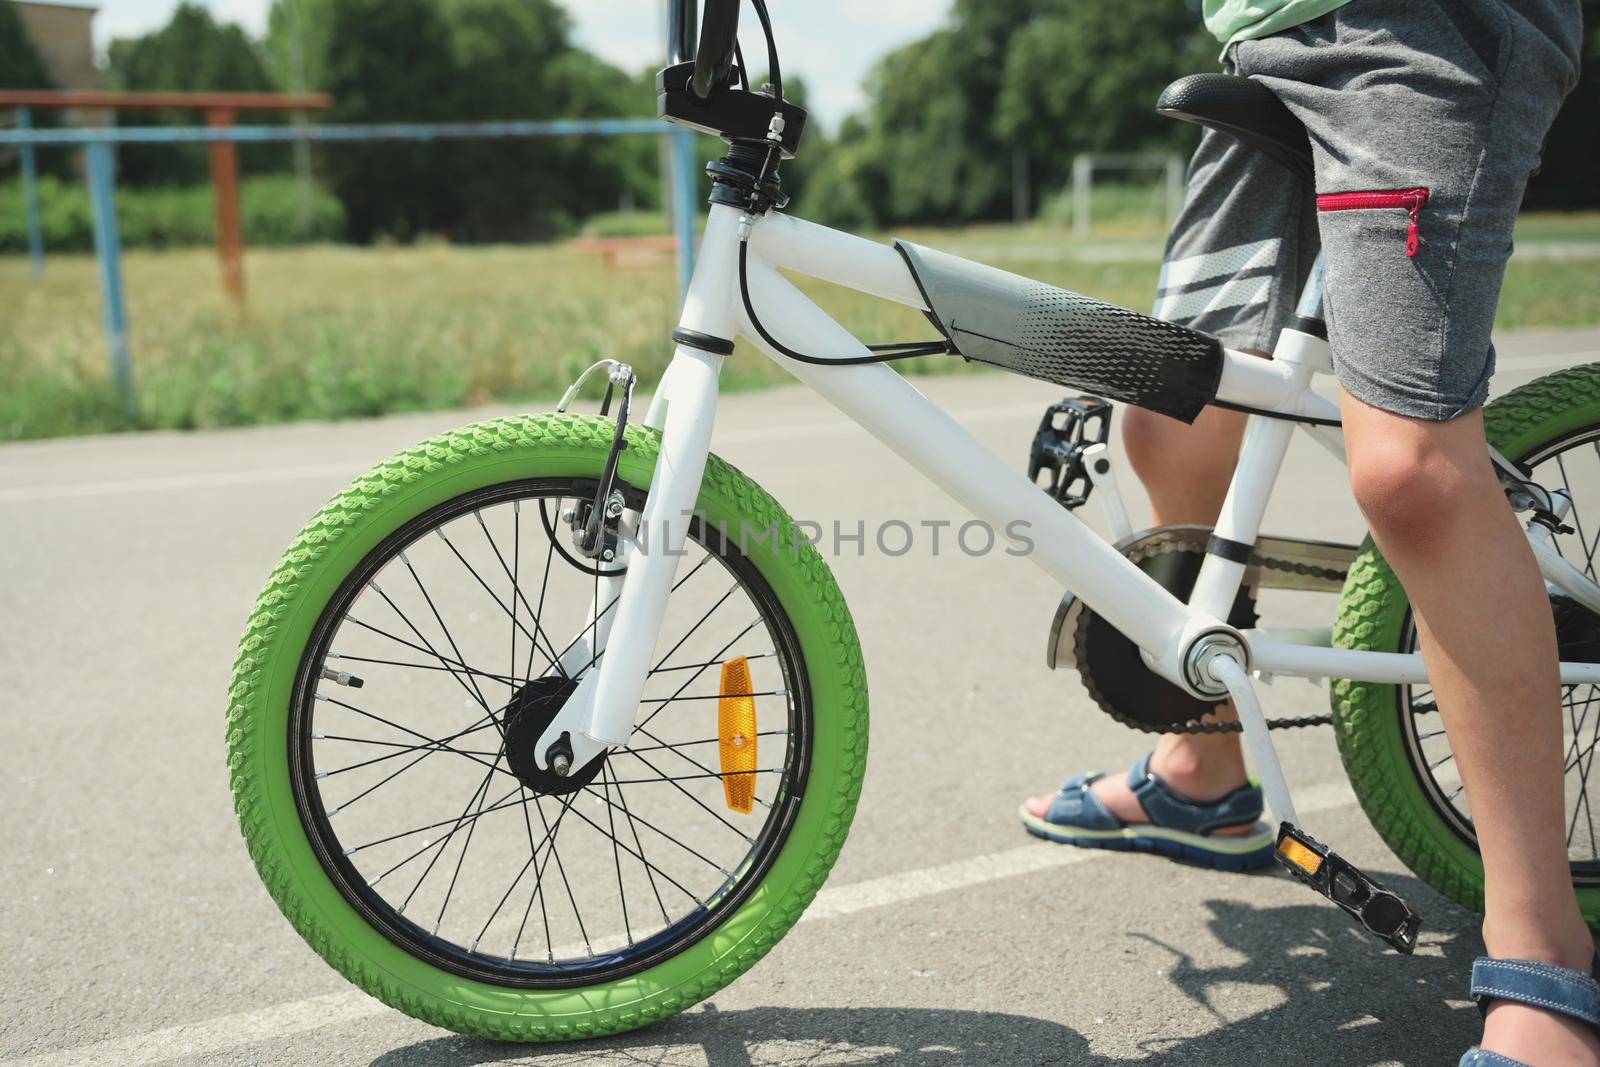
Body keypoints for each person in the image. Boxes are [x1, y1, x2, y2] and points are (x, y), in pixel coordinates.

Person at [1017, 2, 1591, 1064]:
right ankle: (1204, 772)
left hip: (1423, 31)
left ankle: (1545, 958)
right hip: (1269, 38)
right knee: (1173, 417)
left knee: (1410, 472)